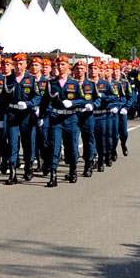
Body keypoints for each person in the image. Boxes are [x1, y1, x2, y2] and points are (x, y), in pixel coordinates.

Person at [44, 57, 82, 188]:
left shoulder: (75, 84)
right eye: (58, 64)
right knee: (54, 146)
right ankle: (53, 176)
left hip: (71, 119)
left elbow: (83, 100)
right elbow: (45, 101)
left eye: (63, 64)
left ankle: (73, 170)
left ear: (68, 67)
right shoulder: (51, 83)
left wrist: (73, 103)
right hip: (56, 119)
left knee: (71, 147)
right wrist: (40, 117)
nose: (60, 67)